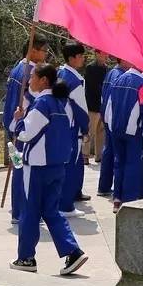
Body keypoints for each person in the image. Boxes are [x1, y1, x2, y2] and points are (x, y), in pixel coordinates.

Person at [9, 64, 88, 276]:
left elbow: (26, 133)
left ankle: (26, 257)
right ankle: (72, 251)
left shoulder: (42, 103)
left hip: (37, 167)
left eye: (33, 76)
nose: (30, 80)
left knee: (30, 211)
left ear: (44, 80)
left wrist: (18, 121)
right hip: (57, 166)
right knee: (51, 211)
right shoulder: (60, 104)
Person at [4, 37, 49, 224]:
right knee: (23, 170)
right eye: (44, 50)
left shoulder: (17, 68)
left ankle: (18, 211)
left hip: (12, 126)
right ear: (33, 50)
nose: (46, 53)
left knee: (18, 168)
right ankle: (22, 212)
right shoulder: (30, 72)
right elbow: (34, 99)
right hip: (22, 129)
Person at [108, 62, 143, 210]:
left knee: (119, 163)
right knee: (133, 165)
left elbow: (109, 105)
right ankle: (129, 201)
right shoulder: (142, 84)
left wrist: (110, 126)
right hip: (134, 132)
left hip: (116, 128)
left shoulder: (117, 80)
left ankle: (117, 198)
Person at [58, 43, 90, 216]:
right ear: (72, 58)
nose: (83, 58)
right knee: (70, 167)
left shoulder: (60, 73)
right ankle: (65, 206)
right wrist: (86, 128)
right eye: (80, 55)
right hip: (72, 129)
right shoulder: (73, 80)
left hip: (61, 126)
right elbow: (81, 109)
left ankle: (60, 202)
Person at [96, 57, 124, 197]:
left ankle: (104, 186)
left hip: (107, 117)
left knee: (109, 152)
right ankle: (109, 187)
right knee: (114, 154)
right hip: (113, 118)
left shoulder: (111, 73)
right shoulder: (119, 76)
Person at [83, 54, 109, 163]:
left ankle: (99, 155)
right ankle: (85, 155)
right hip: (92, 104)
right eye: (102, 53)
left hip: (103, 106)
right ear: (97, 54)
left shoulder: (107, 69)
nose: (104, 56)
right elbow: (91, 86)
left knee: (101, 131)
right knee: (89, 131)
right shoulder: (90, 68)